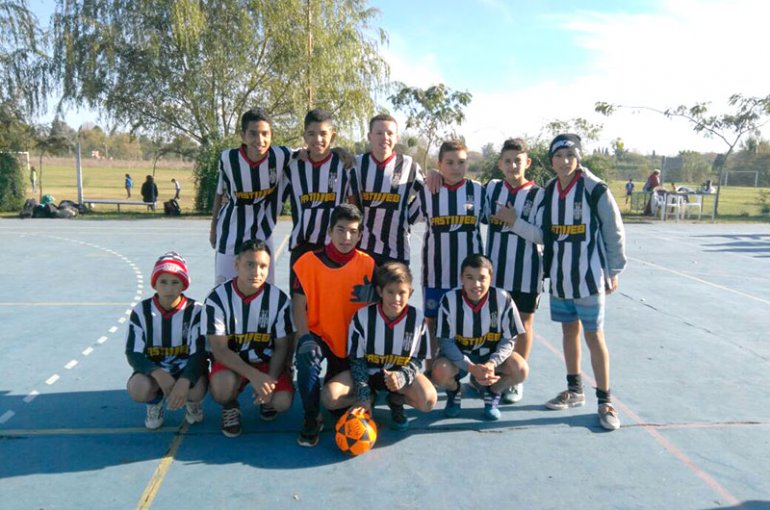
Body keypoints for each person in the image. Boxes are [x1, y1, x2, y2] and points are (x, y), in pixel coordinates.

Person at [501, 134, 627, 431]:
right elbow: (544, 235)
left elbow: (614, 228)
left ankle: (605, 400)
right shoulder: (549, 192)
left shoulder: (595, 189)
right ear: (551, 160)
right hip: (560, 278)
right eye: (559, 156)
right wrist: (514, 222)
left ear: (578, 157)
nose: (565, 161)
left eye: (570, 155)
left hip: (589, 278)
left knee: (594, 336)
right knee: (569, 332)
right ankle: (575, 389)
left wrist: (614, 268)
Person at [292, 203, 375, 447]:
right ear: (329, 231)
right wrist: (305, 337)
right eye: (340, 230)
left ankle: (372, 394)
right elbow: (298, 305)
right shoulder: (307, 262)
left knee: (336, 405)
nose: (346, 237)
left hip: (353, 341)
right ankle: (311, 417)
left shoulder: (368, 264)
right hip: (319, 334)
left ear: (360, 235)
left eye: (353, 231)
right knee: (307, 359)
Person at [205, 239, 294, 438]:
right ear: (237, 264)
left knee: (282, 402)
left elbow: (282, 346)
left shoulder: (278, 300)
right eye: (250, 264)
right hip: (233, 363)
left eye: (263, 266)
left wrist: (268, 381)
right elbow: (219, 349)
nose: (256, 272)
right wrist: (254, 376)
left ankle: (266, 400)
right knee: (221, 389)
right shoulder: (217, 299)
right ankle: (230, 406)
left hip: (266, 362)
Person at [408, 140, 484, 365]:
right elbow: (406, 219)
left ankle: (472, 372)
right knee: (432, 323)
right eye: (449, 162)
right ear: (439, 164)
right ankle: (431, 371)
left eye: (461, 162)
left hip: (470, 278)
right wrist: (427, 176)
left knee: (468, 323)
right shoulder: (428, 191)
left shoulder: (478, 191)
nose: (456, 167)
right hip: (436, 273)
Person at [431, 254, 528, 421]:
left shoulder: (503, 299)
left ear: (491, 278)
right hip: (461, 360)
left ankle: (492, 392)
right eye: (470, 278)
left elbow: (509, 339)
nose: (476, 284)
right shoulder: (449, 300)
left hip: (489, 358)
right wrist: (470, 367)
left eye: (482, 278)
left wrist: (492, 363)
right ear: (462, 278)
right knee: (439, 372)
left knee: (520, 369)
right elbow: (445, 342)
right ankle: (454, 392)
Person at [485, 138, 543, 404]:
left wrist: (515, 222)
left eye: (518, 160)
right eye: (507, 161)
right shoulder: (492, 189)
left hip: (527, 272)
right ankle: (495, 371)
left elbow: (543, 236)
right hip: (494, 272)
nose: (512, 165)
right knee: (494, 324)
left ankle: (517, 379)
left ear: (527, 162)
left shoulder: (539, 195)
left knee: (522, 323)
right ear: (500, 164)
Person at [348, 262, 437, 431]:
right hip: (368, 375)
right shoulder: (363, 317)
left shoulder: (417, 319)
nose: (396, 299)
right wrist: (363, 394)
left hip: (398, 377)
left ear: (410, 293)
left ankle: (396, 400)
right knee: (331, 397)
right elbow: (356, 359)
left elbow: (418, 358)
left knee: (428, 401)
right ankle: (370, 398)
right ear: (380, 291)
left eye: (402, 292)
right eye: (390, 292)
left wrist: (402, 376)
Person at [209, 108, 292, 285]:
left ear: (271, 134)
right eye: (253, 134)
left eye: (265, 134)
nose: (259, 140)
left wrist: (338, 151)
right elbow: (219, 193)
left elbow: (312, 152)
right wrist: (213, 228)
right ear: (243, 135)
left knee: (265, 289)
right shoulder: (228, 159)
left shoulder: (281, 155)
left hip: (263, 232)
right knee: (223, 289)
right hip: (230, 233)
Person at [125, 252, 207, 429]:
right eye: (163, 281)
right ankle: (154, 403)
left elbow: (200, 353)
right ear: (154, 283)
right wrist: (157, 373)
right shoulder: (142, 311)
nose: (169, 288)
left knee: (197, 389)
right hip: (155, 372)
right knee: (138, 388)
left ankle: (192, 402)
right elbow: (133, 352)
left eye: (175, 282)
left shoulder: (196, 310)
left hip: (184, 369)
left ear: (184, 284)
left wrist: (185, 380)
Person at [280, 108, 351, 290]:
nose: (317, 139)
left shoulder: (345, 165)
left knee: (330, 302)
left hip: (332, 247)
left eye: (323, 134)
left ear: (332, 136)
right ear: (304, 136)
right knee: (300, 302)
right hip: (302, 248)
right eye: (311, 134)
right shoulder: (293, 166)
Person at [349, 113, 425, 266]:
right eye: (379, 133)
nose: (385, 137)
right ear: (370, 136)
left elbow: (427, 194)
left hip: (398, 251)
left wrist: (408, 216)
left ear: (397, 137)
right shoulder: (357, 164)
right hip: (362, 250)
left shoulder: (409, 166)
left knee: (396, 291)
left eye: (390, 133)